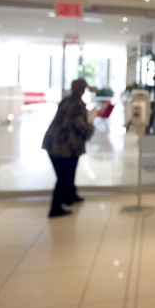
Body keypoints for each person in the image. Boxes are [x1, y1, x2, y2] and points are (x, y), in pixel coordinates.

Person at [41, 78, 95, 218]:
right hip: (65, 145)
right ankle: (56, 207)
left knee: (67, 174)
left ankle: (70, 196)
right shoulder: (77, 104)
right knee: (65, 176)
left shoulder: (66, 101)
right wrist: (91, 127)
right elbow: (79, 125)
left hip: (53, 143)